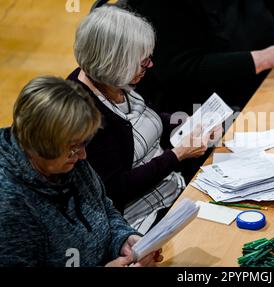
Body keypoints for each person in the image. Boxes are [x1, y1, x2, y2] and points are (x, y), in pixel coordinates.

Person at [68, 6, 221, 234]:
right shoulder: (84, 114)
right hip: (139, 217)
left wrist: (185, 122)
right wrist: (178, 154)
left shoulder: (113, 80)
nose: (150, 65)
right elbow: (117, 188)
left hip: (172, 185)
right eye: (143, 61)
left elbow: (147, 118)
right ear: (115, 63)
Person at [0, 76, 162, 267]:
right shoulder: (9, 203)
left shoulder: (67, 158)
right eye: (75, 147)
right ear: (39, 145)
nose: (83, 155)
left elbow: (105, 208)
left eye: (84, 143)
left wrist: (125, 239)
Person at [123, 0, 274, 113]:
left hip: (263, 78)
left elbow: (242, 18)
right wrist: (260, 59)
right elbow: (180, 69)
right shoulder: (162, 5)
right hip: (207, 104)